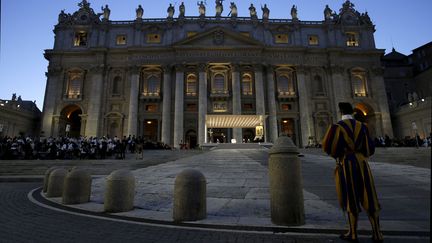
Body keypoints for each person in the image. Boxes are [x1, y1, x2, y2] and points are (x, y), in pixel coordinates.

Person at [322, 102, 383, 242]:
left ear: (340, 112)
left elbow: (328, 146)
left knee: (350, 196)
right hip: (362, 164)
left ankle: (353, 233)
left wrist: (339, 155)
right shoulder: (363, 127)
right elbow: (370, 148)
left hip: (346, 163)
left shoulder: (337, 127)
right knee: (369, 194)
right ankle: (377, 233)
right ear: (352, 111)